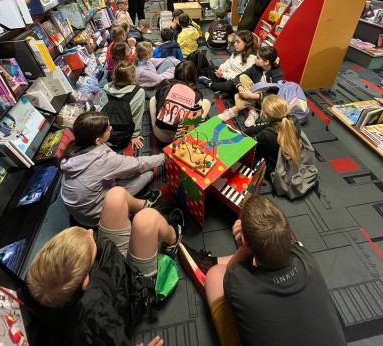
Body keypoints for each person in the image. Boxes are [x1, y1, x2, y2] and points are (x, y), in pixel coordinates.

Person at [26, 187, 184, 346]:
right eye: (90, 242)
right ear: (85, 281)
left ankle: (144, 207)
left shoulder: (40, 282)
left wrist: (91, 251)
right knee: (147, 220)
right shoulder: (96, 320)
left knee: (115, 196)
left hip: (111, 265)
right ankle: (173, 238)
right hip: (132, 288)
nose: (90, 232)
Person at [178, 196, 346, 346]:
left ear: (245, 242)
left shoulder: (240, 285)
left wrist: (244, 247)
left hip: (239, 277)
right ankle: (215, 260)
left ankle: (210, 262)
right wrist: (251, 244)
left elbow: (230, 272)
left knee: (215, 274)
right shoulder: (307, 258)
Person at [59, 111, 164, 227]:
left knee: (123, 170)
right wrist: (165, 156)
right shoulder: (102, 160)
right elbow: (139, 164)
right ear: (97, 140)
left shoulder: (74, 147)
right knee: (147, 173)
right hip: (96, 216)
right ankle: (143, 205)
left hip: (79, 213)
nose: (111, 128)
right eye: (108, 128)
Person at [218, 46, 283, 126]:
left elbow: (272, 94)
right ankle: (252, 110)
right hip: (251, 95)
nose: (255, 59)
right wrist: (240, 88)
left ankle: (234, 111)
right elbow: (237, 77)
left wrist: (252, 95)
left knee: (259, 87)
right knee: (243, 77)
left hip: (264, 100)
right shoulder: (256, 67)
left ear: (266, 62)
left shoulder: (277, 74)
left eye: (258, 58)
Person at [150, 61, 211, 144]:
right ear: (194, 75)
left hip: (160, 135)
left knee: (153, 99)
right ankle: (194, 131)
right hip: (181, 138)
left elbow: (158, 100)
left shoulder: (165, 84)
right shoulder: (196, 94)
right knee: (206, 102)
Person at [244, 94, 301, 176]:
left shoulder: (266, 135)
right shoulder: (294, 121)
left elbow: (249, 145)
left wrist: (244, 133)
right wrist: (249, 130)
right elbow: (266, 125)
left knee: (246, 155)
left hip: (274, 167)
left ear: (265, 115)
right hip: (289, 158)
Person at [198, 30, 256, 96]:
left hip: (236, 81)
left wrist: (223, 74)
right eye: (235, 41)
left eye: (238, 42)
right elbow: (228, 62)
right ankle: (222, 90)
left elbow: (240, 77)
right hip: (227, 75)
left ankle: (210, 84)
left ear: (246, 43)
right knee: (210, 68)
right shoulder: (237, 51)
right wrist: (221, 69)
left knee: (230, 85)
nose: (234, 44)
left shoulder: (251, 59)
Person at [104, 60, 145, 149]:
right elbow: (137, 115)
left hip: (104, 132)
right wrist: (134, 135)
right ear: (132, 77)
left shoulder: (106, 87)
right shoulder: (138, 91)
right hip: (124, 135)